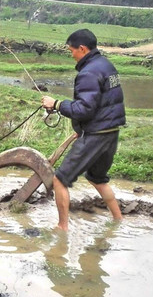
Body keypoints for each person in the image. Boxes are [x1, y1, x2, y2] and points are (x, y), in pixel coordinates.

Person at [41, 29, 125, 231]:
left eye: (72, 51)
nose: (72, 55)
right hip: (111, 132)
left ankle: (62, 228)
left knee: (60, 180)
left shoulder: (88, 72)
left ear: (82, 48)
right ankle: (118, 219)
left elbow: (84, 108)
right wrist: (81, 128)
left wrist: (57, 104)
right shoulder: (106, 65)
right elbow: (105, 103)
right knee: (97, 178)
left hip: (96, 135)